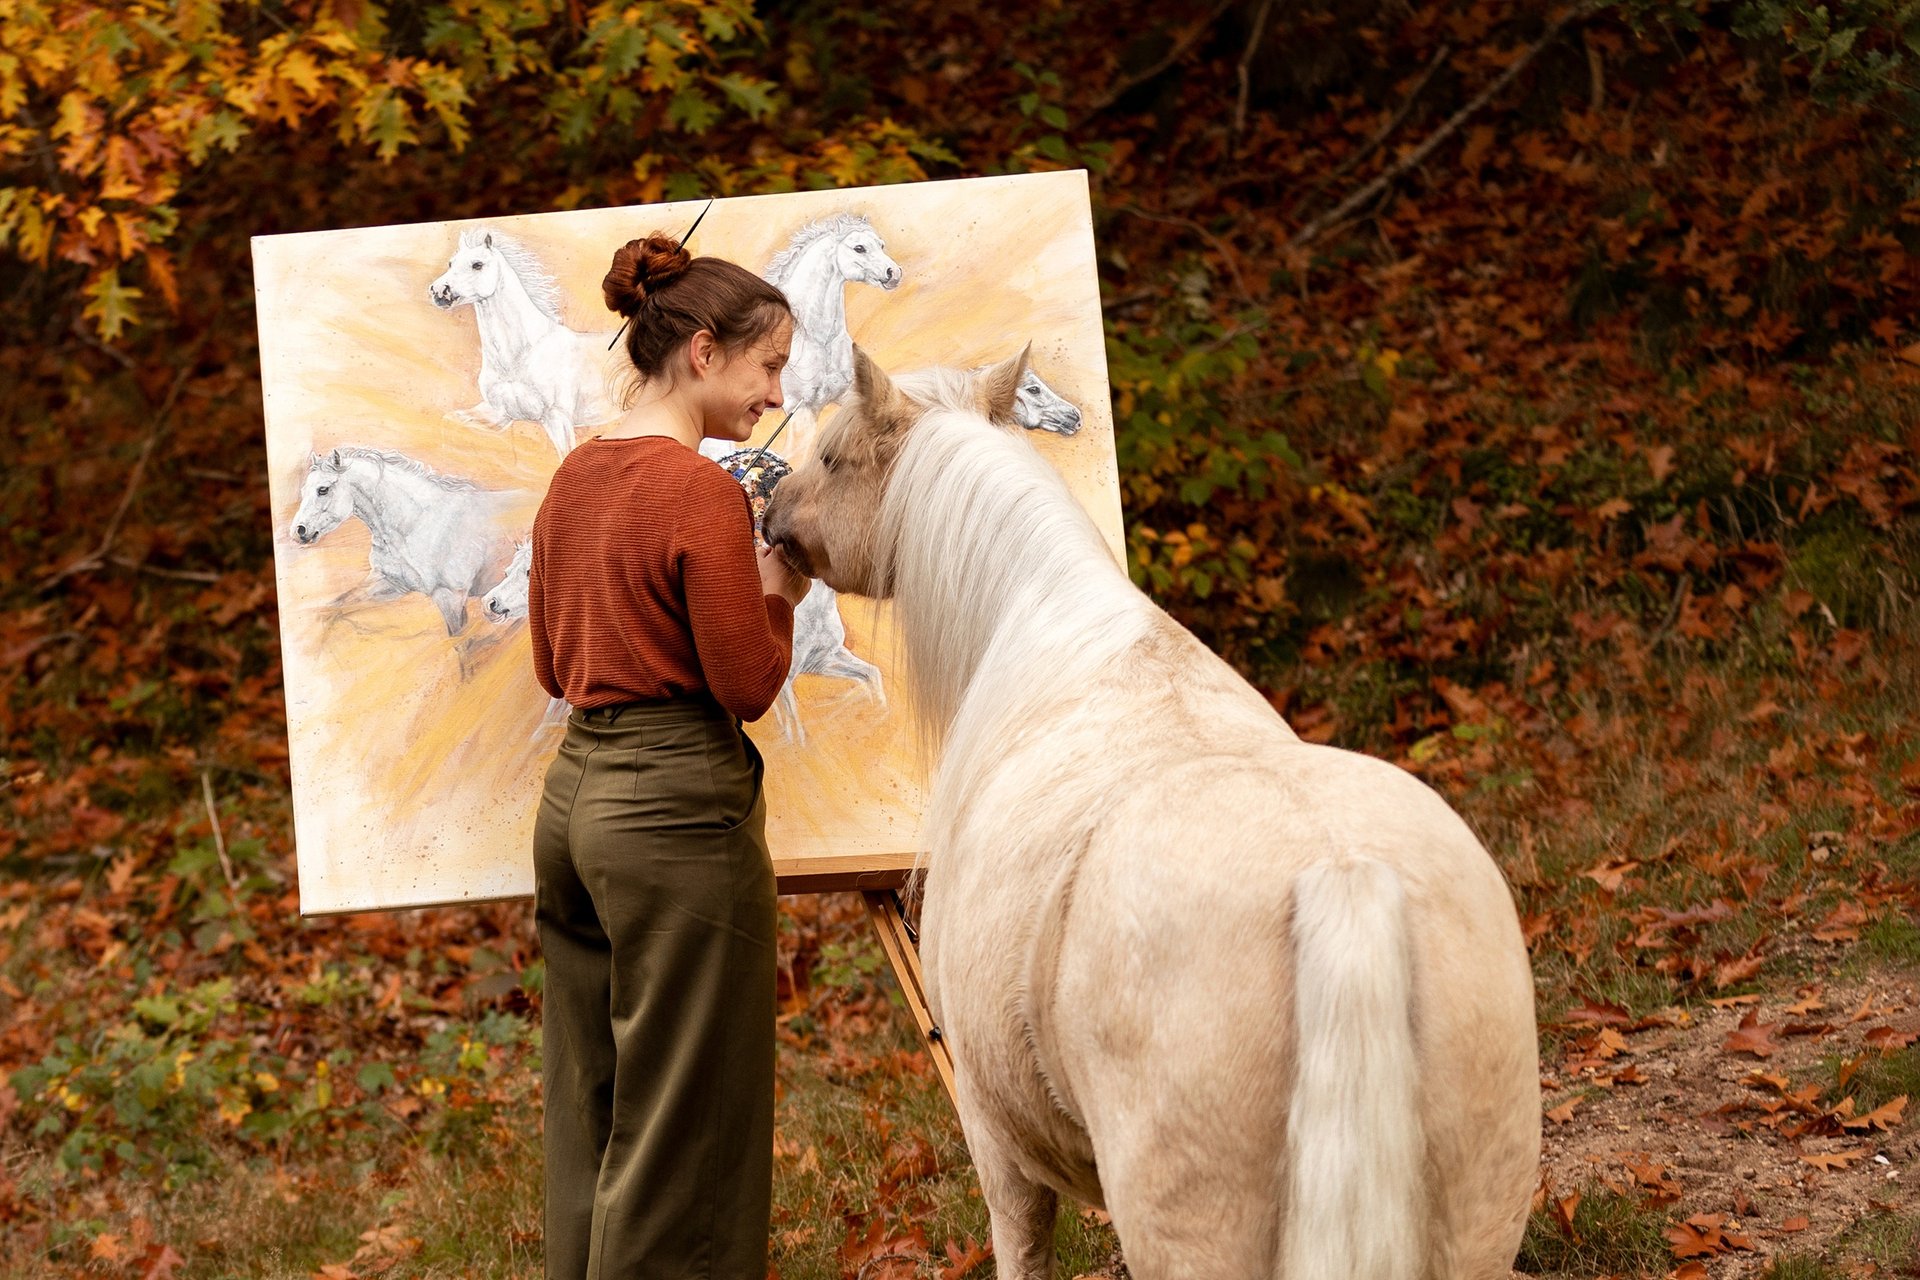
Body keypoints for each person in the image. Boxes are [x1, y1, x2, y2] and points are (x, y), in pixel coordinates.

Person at [525, 230, 811, 1280]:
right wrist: (778, 592)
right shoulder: (699, 490)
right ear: (701, 349)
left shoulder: (573, 478)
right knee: (686, 1118)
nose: (775, 393)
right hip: (673, 816)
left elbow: (556, 666)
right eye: (768, 364)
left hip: (574, 810)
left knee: (595, 1101)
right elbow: (744, 682)